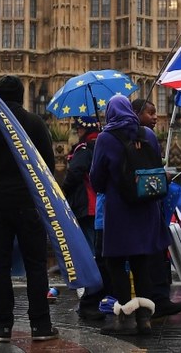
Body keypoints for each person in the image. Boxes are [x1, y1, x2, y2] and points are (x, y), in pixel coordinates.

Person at [0, 75, 59, 343]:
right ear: (21, 96)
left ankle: (3, 326)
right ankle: (41, 326)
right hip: (28, 204)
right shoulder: (33, 122)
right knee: (35, 266)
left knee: (0, 266)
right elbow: (49, 165)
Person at [91, 94, 170, 335]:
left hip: (119, 209)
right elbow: (157, 167)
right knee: (141, 262)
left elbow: (96, 179)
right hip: (146, 208)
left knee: (116, 263)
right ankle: (144, 318)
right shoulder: (148, 135)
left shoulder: (105, 138)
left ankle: (125, 319)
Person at [131, 97, 181, 318]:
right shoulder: (146, 136)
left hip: (128, 208)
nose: (155, 117)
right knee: (155, 253)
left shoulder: (117, 137)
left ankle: (142, 305)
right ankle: (159, 300)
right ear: (136, 114)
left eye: (156, 112)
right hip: (149, 205)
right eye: (150, 113)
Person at [61, 116, 112, 320]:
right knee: (100, 253)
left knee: (89, 254)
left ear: (82, 130)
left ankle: (93, 297)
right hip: (104, 207)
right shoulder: (104, 145)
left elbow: (75, 174)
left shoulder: (84, 149)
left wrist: (61, 192)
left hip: (88, 207)